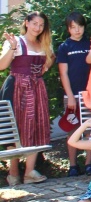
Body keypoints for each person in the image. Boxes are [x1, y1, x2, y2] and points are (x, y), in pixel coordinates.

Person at [1, 12, 55, 185]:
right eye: (35, 24)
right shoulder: (16, 41)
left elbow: (51, 58)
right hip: (16, 86)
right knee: (14, 126)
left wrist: (45, 66)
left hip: (36, 88)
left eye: (41, 25)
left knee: (36, 126)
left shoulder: (43, 43)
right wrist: (12, 48)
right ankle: (14, 172)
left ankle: (30, 171)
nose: (38, 28)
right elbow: (2, 65)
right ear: (26, 23)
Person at [57, 11, 91, 177]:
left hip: (90, 94)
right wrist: (70, 95)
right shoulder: (64, 47)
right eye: (73, 27)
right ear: (68, 29)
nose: (77, 30)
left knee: (90, 129)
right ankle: (73, 165)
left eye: (80, 27)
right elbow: (63, 74)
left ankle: (88, 164)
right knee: (72, 129)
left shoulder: (90, 44)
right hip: (72, 96)